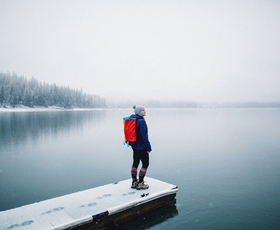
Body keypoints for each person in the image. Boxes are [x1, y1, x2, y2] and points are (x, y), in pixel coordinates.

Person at [130, 105, 152, 190]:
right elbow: (144, 137)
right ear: (140, 112)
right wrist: (148, 147)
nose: (145, 111)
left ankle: (134, 181)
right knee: (145, 164)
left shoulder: (133, 120)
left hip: (134, 146)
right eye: (143, 110)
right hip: (142, 147)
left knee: (135, 163)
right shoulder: (141, 122)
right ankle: (140, 183)